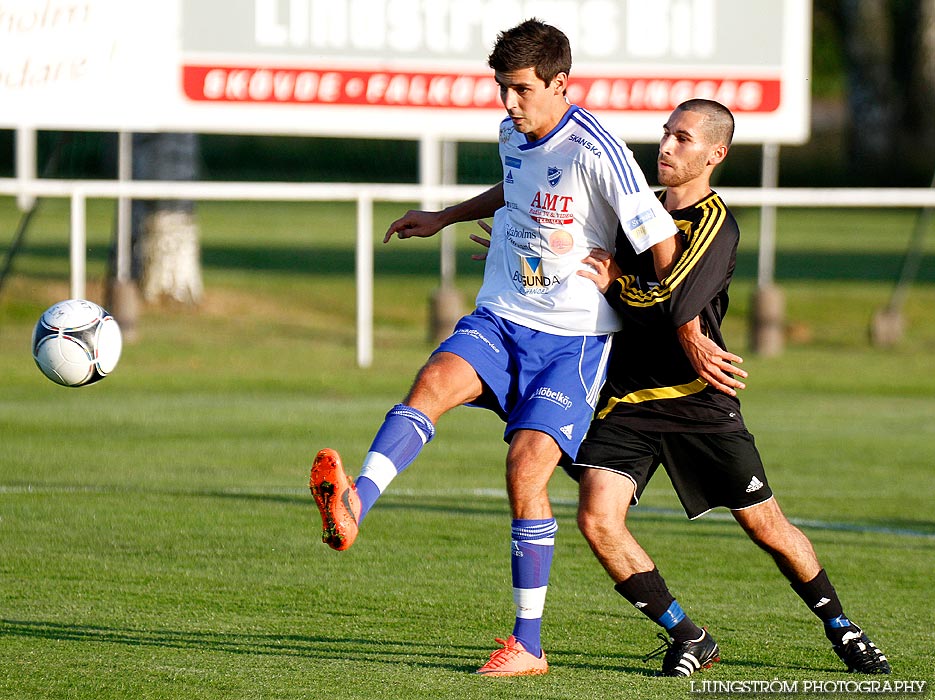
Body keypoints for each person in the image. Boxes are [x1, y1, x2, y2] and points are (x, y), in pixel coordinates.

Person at [308, 18, 683, 677]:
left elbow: (662, 246)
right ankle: (353, 504)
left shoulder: (600, 149)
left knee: (525, 470)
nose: (506, 104)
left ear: (560, 85)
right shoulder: (512, 132)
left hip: (572, 342)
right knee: (430, 384)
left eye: (519, 91)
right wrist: (444, 217)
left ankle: (527, 645)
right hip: (502, 314)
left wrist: (633, 288)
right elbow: (515, 189)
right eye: (499, 89)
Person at [570, 98, 891, 677]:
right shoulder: (633, 207)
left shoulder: (715, 224)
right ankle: (688, 635)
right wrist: (533, 254)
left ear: (716, 154)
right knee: (597, 519)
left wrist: (617, 284)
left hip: (697, 400)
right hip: (627, 401)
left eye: (684, 139)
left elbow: (673, 302)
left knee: (766, 527)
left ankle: (842, 626)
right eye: (666, 134)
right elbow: (578, 241)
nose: (666, 147)